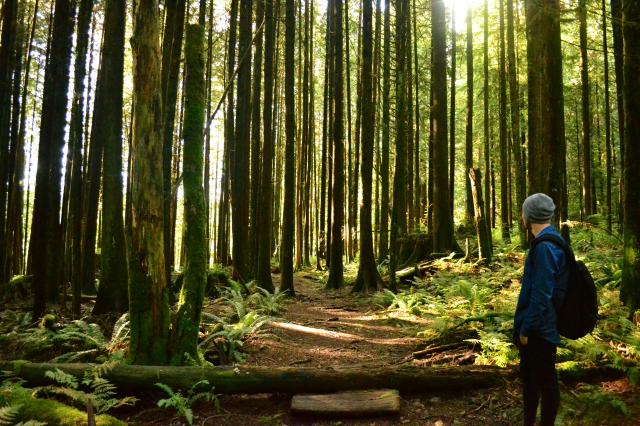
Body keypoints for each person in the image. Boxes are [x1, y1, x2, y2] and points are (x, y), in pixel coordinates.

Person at [514, 193, 569, 426]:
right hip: (541, 325)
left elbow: (541, 294)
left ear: (529, 216)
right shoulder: (550, 240)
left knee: (545, 382)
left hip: (539, 329)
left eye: (524, 211)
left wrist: (526, 329)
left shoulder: (545, 247)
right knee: (531, 380)